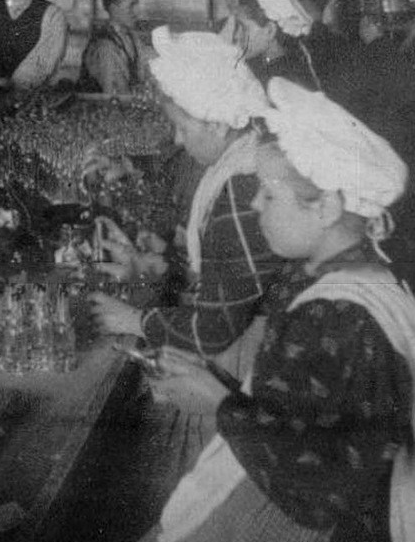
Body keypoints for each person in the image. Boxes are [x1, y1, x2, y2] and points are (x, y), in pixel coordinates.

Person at [142, 78, 415, 542]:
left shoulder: (336, 316)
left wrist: (218, 403)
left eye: (270, 196)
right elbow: (312, 418)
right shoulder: (350, 279)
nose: (254, 205)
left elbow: (316, 492)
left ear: (328, 208)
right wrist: (217, 389)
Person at [90, 28, 278, 366]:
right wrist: (165, 260)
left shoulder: (242, 185)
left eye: (183, 128)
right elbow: (226, 274)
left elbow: (214, 329)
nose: (177, 139)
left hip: (249, 357)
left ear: (218, 124)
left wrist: (132, 320)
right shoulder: (238, 159)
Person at [220, 0, 333, 91]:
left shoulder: (281, 80)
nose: (236, 36)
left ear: (269, 30)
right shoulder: (269, 61)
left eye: (243, 28)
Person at [80, 0, 148, 94]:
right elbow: (117, 95)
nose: (137, 12)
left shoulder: (132, 38)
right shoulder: (104, 46)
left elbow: (144, 78)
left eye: (136, 5)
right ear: (113, 8)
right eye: (131, 6)